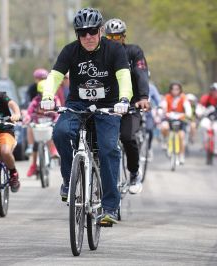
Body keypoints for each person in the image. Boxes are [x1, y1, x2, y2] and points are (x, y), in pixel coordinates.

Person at [40, 7, 133, 225]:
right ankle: (67, 180)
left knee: (109, 148)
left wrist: (124, 100)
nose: (88, 37)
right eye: (83, 33)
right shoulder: (70, 51)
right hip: (77, 104)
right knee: (61, 132)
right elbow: (54, 76)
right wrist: (47, 96)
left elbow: (124, 78)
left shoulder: (114, 50)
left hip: (108, 106)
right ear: (77, 35)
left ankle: (110, 207)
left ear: (101, 30)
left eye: (92, 31)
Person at [104, 18, 150, 194]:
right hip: (107, 104)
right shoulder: (100, 54)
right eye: (110, 37)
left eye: (117, 37)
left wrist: (144, 96)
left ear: (124, 37)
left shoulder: (134, 52)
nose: (113, 40)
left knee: (127, 137)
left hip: (131, 103)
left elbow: (141, 73)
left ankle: (133, 173)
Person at [24, 79, 60, 177]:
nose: (45, 96)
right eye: (42, 93)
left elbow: (59, 111)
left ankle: (54, 151)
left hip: (50, 123)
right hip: (38, 124)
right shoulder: (36, 100)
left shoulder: (55, 99)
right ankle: (34, 165)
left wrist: (56, 119)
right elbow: (30, 111)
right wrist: (27, 117)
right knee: (36, 145)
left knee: (52, 137)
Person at [160, 82, 192, 164]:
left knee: (181, 136)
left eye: (177, 89)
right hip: (169, 117)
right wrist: (161, 111)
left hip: (180, 118)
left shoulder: (183, 97)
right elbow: (163, 105)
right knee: (164, 127)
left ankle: (181, 155)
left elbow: (187, 106)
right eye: (173, 89)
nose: (175, 91)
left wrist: (188, 113)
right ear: (170, 90)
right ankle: (165, 141)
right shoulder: (167, 97)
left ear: (180, 90)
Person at [24, 68, 49, 155]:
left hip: (48, 114)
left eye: (44, 79)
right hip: (36, 113)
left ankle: (54, 150)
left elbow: (56, 101)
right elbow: (28, 102)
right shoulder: (32, 89)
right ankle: (30, 146)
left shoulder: (51, 87)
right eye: (40, 79)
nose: (42, 81)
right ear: (35, 79)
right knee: (30, 125)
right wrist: (27, 113)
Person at [196, 82, 217, 155]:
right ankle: (204, 143)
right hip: (208, 118)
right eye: (213, 90)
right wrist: (199, 113)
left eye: (216, 90)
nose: (214, 92)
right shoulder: (205, 97)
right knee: (202, 126)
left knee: (216, 130)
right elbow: (200, 107)